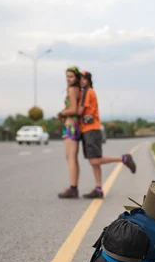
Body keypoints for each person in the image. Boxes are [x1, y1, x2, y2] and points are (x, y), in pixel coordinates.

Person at [78, 71, 136, 199]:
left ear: (88, 80)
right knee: (95, 162)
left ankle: (123, 159)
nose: (81, 81)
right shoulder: (88, 91)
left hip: (91, 129)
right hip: (91, 129)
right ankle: (98, 189)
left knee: (94, 160)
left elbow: (81, 110)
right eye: (80, 79)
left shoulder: (87, 92)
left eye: (84, 79)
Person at [57, 67, 82, 199]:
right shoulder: (76, 89)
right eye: (67, 76)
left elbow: (74, 109)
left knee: (71, 158)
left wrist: (62, 113)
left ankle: (73, 188)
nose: (68, 79)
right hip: (73, 125)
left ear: (76, 78)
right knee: (72, 158)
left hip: (71, 126)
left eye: (71, 76)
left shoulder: (72, 89)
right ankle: (73, 187)